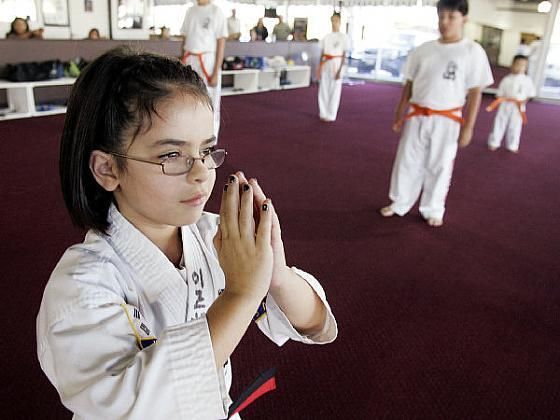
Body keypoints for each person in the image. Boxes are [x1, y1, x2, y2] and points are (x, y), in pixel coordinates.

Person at [36, 46, 337, 419]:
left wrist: (275, 275)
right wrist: (242, 294)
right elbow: (135, 408)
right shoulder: (82, 287)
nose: (201, 173)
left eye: (207, 150)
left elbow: (316, 326)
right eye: (171, 156)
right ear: (107, 169)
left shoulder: (215, 237)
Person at [380, 0, 493, 227]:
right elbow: (409, 85)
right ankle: (399, 202)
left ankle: (433, 207)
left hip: (447, 118)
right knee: (407, 160)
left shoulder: (472, 51)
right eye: (441, 16)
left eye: (451, 17)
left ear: (464, 19)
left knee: (440, 164)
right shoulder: (424, 50)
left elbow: (475, 92)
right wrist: (399, 112)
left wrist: (468, 127)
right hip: (417, 114)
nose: (444, 22)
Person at [180, 0, 227, 138]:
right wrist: (182, 63)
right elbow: (185, 39)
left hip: (208, 59)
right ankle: (190, 135)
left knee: (211, 100)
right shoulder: (190, 11)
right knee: (188, 98)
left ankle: (210, 139)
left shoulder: (216, 11)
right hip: (190, 57)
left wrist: (215, 71)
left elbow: (221, 43)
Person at [486, 55, 535, 153]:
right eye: (518, 64)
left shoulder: (527, 80)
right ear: (512, 65)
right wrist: (501, 99)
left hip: (518, 106)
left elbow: (530, 93)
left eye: (523, 66)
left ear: (526, 68)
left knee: (515, 126)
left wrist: (524, 101)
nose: (520, 67)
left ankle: (512, 145)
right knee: (499, 123)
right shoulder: (507, 79)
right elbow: (499, 93)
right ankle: (494, 142)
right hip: (505, 104)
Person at [317, 12, 349, 122]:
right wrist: (319, 68)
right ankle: (323, 112)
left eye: (336, 21)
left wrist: (341, 70)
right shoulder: (326, 37)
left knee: (335, 89)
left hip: (337, 63)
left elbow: (344, 55)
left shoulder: (344, 37)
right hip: (326, 63)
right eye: (332, 20)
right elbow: (322, 53)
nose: (334, 23)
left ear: (340, 22)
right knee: (324, 88)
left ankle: (331, 114)